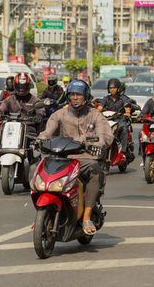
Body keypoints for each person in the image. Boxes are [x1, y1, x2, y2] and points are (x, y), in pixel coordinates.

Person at [39, 80, 113, 235]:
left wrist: (98, 143)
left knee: (94, 171)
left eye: (78, 94)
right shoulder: (59, 114)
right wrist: (40, 140)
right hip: (63, 158)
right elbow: (48, 132)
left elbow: (105, 135)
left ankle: (86, 217)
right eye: (72, 94)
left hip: (86, 158)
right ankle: (42, 213)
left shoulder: (95, 115)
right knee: (36, 168)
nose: (75, 97)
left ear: (86, 96)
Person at [97, 78, 132, 160]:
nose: (112, 90)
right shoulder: (106, 98)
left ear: (118, 88)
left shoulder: (123, 98)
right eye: (110, 88)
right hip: (108, 121)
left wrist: (127, 113)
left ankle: (123, 152)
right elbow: (99, 107)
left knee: (123, 128)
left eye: (114, 88)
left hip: (120, 120)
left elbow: (127, 110)